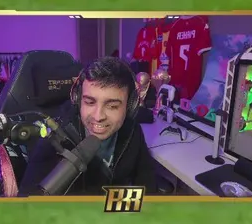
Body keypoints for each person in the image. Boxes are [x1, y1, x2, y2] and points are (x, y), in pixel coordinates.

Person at [19, 57, 158, 197]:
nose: (98, 116)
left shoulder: (132, 131)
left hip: (113, 208)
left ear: (130, 106)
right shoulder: (54, 138)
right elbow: (27, 202)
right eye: (90, 103)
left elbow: (148, 187)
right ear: (78, 99)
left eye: (112, 106)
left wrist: (123, 206)